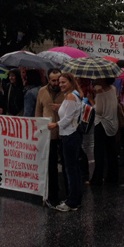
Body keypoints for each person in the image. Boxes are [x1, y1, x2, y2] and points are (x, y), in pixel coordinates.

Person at [47, 73, 83, 211]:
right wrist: (60, 107)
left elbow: (68, 119)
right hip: (73, 134)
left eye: (63, 82)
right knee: (75, 169)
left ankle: (72, 202)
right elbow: (71, 113)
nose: (60, 84)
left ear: (71, 82)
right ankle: (76, 199)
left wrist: (55, 125)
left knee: (71, 169)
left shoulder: (70, 96)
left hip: (70, 135)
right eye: (59, 82)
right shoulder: (74, 94)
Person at [36, 68, 65, 204]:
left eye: (58, 80)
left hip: (64, 131)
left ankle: (67, 191)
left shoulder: (66, 91)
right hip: (49, 134)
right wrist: (39, 127)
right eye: (53, 80)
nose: (56, 83)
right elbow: (38, 110)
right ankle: (52, 192)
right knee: (51, 165)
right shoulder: (42, 91)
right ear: (48, 80)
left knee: (66, 164)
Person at [90, 77, 119, 184]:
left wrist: (91, 100)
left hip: (101, 124)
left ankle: (97, 178)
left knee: (99, 152)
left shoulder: (100, 92)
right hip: (112, 123)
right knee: (111, 151)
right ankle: (112, 177)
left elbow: (98, 110)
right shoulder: (113, 89)